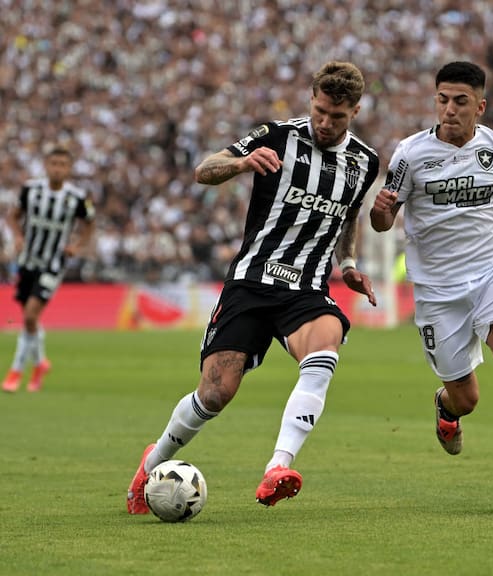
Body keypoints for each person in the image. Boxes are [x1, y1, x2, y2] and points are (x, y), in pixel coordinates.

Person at [127, 61, 380, 513]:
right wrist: (242, 163)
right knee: (215, 394)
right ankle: (152, 464)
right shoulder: (277, 135)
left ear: (355, 111)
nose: (325, 123)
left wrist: (350, 264)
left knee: (325, 347)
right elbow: (205, 169)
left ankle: (277, 468)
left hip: (307, 288)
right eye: (320, 111)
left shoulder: (365, 162)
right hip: (250, 282)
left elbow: (349, 217)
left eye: (337, 116)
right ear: (312, 99)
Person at [370, 61, 493, 505]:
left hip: (491, 271)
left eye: (460, 101)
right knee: (465, 397)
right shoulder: (410, 153)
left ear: (480, 107)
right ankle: (446, 407)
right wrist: (380, 209)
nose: (449, 109)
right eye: (442, 99)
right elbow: (382, 222)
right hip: (436, 290)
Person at [2, 145, 95, 393]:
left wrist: (78, 245)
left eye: (62, 165)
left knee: (31, 316)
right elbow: (13, 215)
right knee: (29, 319)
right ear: (46, 165)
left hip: (53, 264)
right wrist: (18, 236)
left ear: (69, 169)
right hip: (27, 261)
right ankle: (41, 362)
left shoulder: (76, 197)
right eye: (54, 164)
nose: (57, 169)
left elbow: (89, 222)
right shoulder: (31, 190)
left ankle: (16, 371)